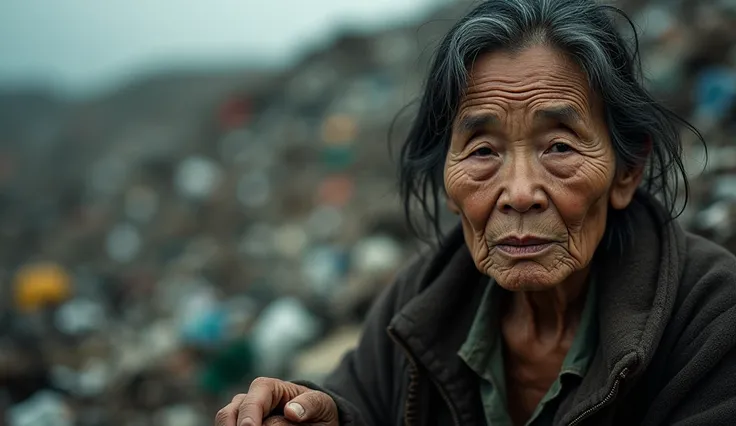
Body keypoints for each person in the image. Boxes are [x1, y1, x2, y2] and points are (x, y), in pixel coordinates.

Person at [215, 0, 736, 425]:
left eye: (558, 146)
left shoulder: (712, 319)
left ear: (627, 170)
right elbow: (363, 406)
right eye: (483, 151)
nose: (519, 192)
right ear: (447, 177)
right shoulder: (419, 304)